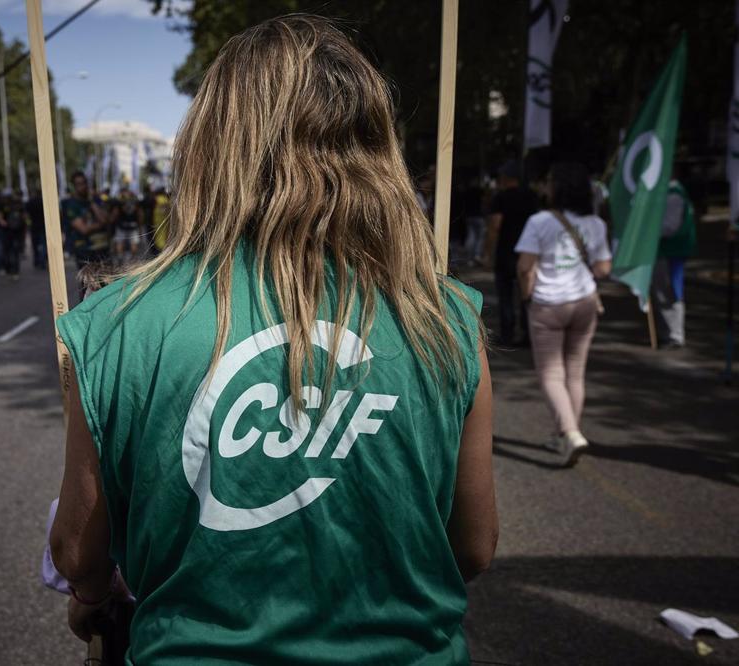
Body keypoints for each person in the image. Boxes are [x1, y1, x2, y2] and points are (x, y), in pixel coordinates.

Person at [48, 16, 496, 664]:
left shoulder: (118, 323)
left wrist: (93, 594)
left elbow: (78, 555)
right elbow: (472, 547)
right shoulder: (442, 316)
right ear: (373, 149)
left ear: (210, 146)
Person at [515, 162, 612, 465]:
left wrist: (526, 295)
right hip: (584, 301)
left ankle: (569, 433)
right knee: (575, 372)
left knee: (551, 374)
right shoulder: (596, 223)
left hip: (548, 304)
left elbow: (524, 267)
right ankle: (566, 435)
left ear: (557, 188)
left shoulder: (540, 221)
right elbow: (603, 269)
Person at [484, 160, 541, 345]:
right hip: (528, 252)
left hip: (505, 251)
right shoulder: (532, 197)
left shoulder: (500, 198)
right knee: (527, 292)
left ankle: (507, 333)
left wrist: (489, 252)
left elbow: (495, 226)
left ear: (505, 178)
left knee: (506, 294)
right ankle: (527, 333)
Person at [652, 176, 696, 349]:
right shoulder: (671, 192)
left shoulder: (673, 195)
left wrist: (647, 230)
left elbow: (669, 227)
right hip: (669, 250)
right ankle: (669, 333)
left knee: (669, 292)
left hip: (670, 251)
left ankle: (674, 335)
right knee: (666, 291)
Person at [60, 171, 109, 271]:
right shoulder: (71, 205)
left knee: (106, 283)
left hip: (102, 248)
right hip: (84, 251)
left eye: (84, 183)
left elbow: (104, 219)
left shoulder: (95, 199)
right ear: (74, 186)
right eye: (79, 184)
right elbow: (84, 229)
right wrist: (100, 224)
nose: (83, 186)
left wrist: (92, 202)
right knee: (88, 284)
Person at [0, 192, 25, 280]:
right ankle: (15, 271)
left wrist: (5, 224)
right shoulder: (19, 205)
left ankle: (8, 269)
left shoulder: (3, 206)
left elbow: (0, 218)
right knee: (15, 252)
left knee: (6, 251)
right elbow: (24, 218)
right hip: (17, 232)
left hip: (7, 232)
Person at [112, 191, 143, 264]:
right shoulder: (135, 203)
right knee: (125, 243)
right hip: (128, 226)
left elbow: (114, 215)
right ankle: (131, 260)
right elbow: (140, 215)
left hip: (125, 226)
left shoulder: (120, 203)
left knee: (122, 243)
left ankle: (123, 260)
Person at [26, 189, 47, 269]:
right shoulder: (43, 202)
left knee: (35, 245)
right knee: (43, 245)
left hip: (34, 226)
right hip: (42, 226)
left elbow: (26, 215)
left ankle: (36, 261)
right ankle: (42, 261)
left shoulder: (30, 202)